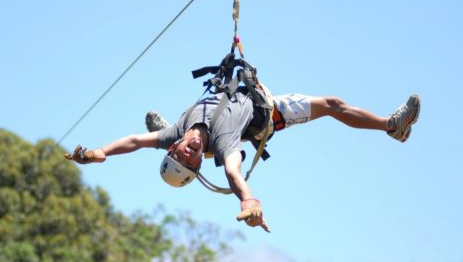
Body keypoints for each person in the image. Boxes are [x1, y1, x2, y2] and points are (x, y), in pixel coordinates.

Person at [65, 89, 420, 233]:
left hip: (239, 89)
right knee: (331, 105)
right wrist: (249, 200)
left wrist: (100, 153)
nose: (188, 150)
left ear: (173, 149)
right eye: (193, 159)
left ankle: (392, 126)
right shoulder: (222, 145)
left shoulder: (174, 134)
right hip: (269, 112)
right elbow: (234, 173)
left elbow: (132, 141)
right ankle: (392, 126)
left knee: (158, 134)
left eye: (184, 152)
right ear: (200, 165)